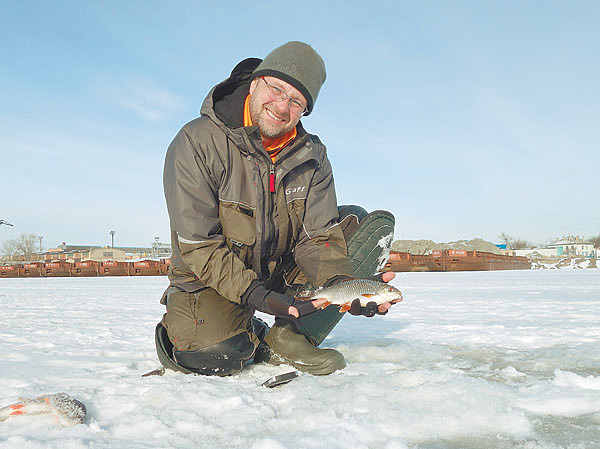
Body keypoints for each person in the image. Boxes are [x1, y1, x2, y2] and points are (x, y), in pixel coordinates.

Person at [155, 41, 401, 377]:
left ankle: (289, 336)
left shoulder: (312, 154)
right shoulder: (196, 142)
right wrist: (258, 296)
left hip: (276, 269)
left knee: (354, 220)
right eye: (276, 88)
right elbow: (200, 247)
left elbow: (319, 236)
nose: (282, 106)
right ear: (256, 82)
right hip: (210, 278)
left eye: (296, 101)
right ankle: (237, 327)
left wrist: (344, 284)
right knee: (216, 355)